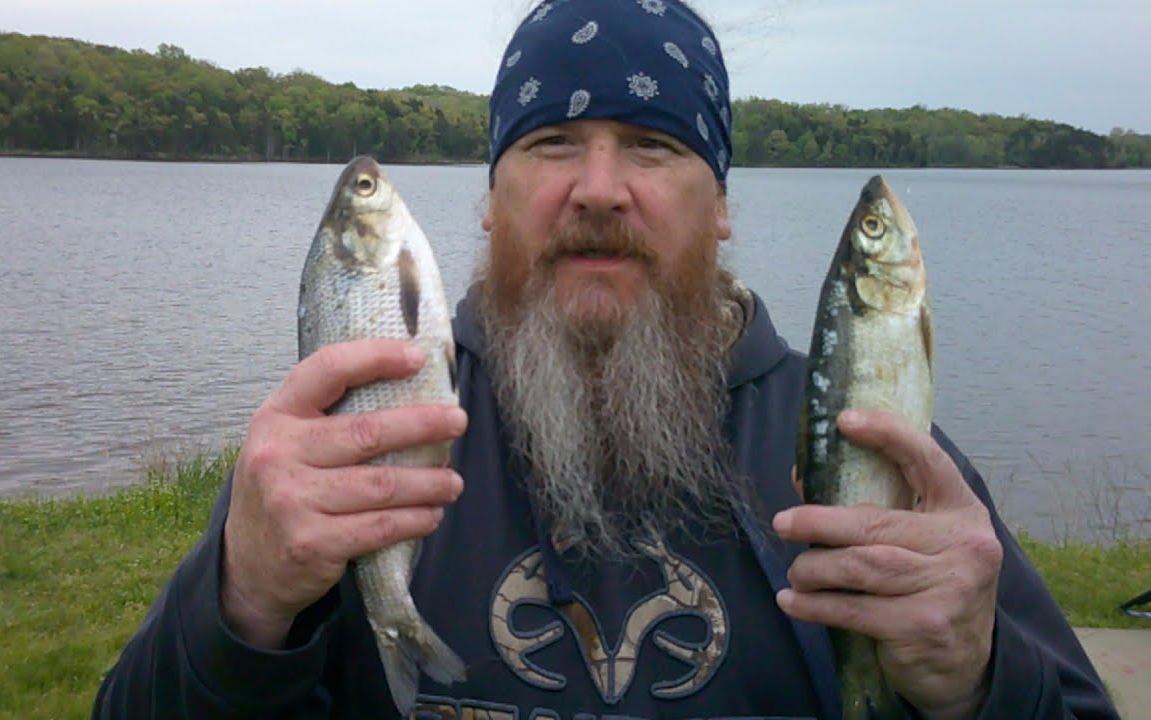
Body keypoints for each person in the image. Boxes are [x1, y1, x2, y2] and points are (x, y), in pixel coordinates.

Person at [93, 1, 1117, 718]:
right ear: (488, 202)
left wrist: (980, 685)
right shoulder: (355, 441)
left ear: (719, 211)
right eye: (549, 144)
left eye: (651, 145)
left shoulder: (875, 454)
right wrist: (241, 600)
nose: (595, 188)